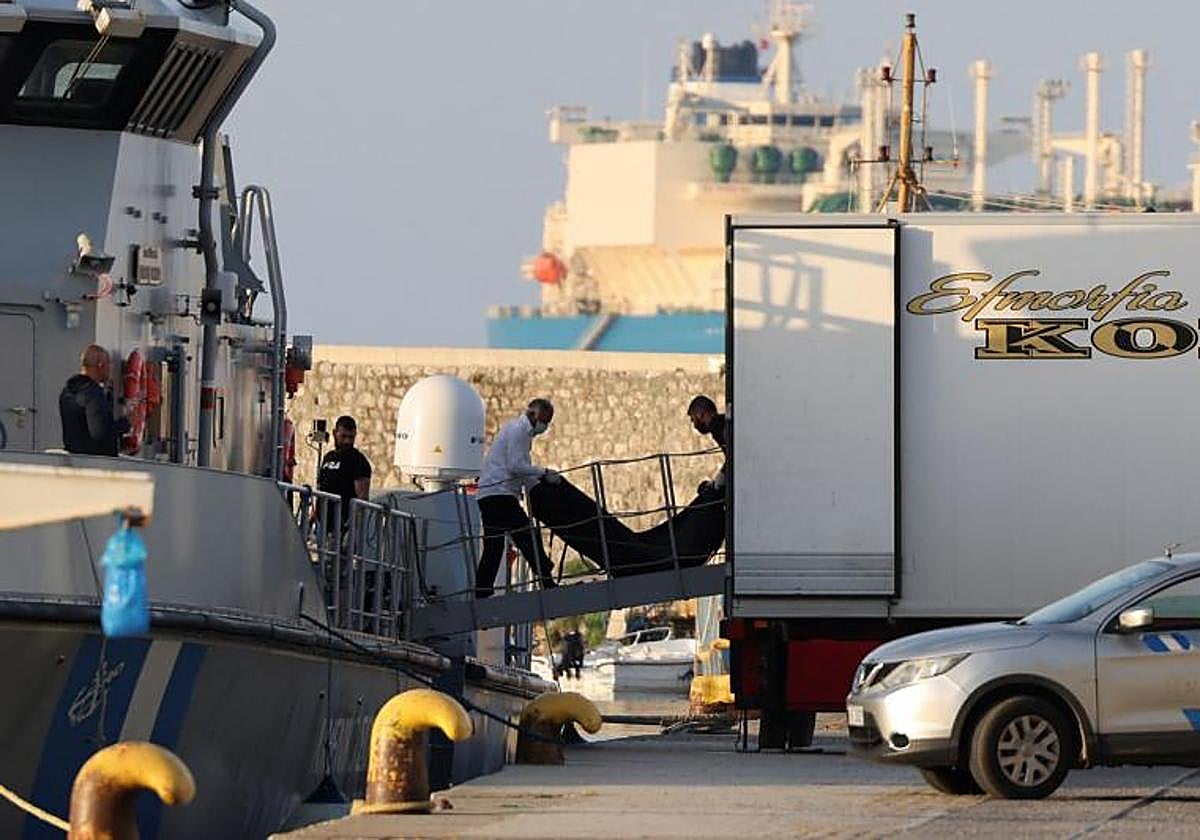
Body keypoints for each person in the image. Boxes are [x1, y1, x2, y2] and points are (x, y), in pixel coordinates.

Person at [475, 397, 560, 597]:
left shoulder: (517, 431)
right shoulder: (519, 432)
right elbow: (515, 467)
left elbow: (521, 470)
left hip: (488, 495)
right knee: (527, 537)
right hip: (500, 495)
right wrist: (544, 472)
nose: (545, 426)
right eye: (544, 421)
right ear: (532, 414)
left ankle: (482, 590)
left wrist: (539, 480)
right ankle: (546, 580)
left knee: (493, 547)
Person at [59, 344, 130, 455]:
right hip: (96, 462)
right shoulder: (92, 394)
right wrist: (126, 424)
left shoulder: (68, 391)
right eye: (109, 364)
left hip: (75, 457)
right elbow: (100, 433)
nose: (110, 369)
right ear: (100, 366)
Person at [317, 415, 372, 530]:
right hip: (323, 524)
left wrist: (350, 526)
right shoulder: (328, 457)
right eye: (343, 436)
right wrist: (313, 517)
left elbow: (362, 498)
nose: (347, 441)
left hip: (343, 526)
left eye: (351, 437)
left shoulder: (358, 460)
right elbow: (321, 488)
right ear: (334, 433)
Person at [687, 394, 727, 496]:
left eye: (693, 419)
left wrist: (717, 483)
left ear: (700, 414)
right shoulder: (722, 422)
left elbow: (733, 458)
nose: (694, 425)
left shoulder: (717, 426)